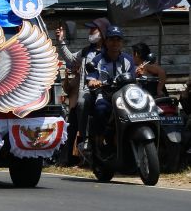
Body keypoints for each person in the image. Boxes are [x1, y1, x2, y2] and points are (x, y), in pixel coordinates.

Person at [55, 17, 109, 163]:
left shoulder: (110, 51)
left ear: (103, 32)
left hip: (107, 91)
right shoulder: (86, 52)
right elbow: (71, 60)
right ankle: (86, 141)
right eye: (90, 29)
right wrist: (61, 41)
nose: (90, 32)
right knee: (80, 102)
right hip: (88, 90)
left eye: (93, 29)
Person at [86, 25, 136, 153]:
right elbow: (91, 79)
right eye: (112, 39)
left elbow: (134, 78)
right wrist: (94, 82)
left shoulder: (128, 60)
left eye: (118, 39)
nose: (115, 43)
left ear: (122, 42)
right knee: (100, 109)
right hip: (105, 96)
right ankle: (101, 140)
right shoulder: (98, 60)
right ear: (106, 41)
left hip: (125, 97)